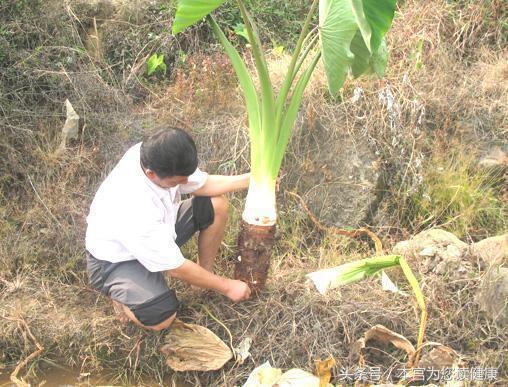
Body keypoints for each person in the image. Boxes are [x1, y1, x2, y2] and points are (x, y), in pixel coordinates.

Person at [85, 127, 252, 331]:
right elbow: (176, 268)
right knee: (162, 317)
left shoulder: (154, 154)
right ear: (151, 174)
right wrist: (228, 286)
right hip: (117, 260)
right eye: (177, 182)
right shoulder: (134, 206)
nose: (184, 183)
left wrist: (251, 180)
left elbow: (203, 184)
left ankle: (201, 282)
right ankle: (123, 297)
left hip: (158, 229)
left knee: (216, 206)